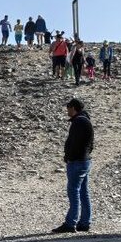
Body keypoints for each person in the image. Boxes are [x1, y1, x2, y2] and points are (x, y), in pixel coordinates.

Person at [52, 97, 93, 233]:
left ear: (73, 108)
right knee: (83, 192)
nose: (67, 110)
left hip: (77, 162)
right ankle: (85, 222)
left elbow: (74, 143)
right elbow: (89, 144)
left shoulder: (79, 122)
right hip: (85, 161)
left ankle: (70, 223)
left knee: (74, 192)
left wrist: (69, 157)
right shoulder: (85, 120)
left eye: (68, 108)